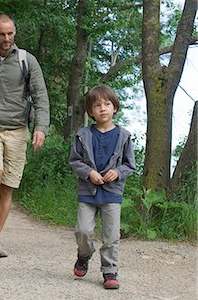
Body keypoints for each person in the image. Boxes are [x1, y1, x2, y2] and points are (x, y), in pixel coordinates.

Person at [0, 13, 50, 260]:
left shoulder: (27, 60)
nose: (6, 38)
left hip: (17, 129)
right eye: (2, 34)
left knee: (7, 187)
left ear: (15, 32)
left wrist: (41, 127)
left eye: (10, 33)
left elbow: (40, 97)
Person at [68, 84, 136, 289]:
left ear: (115, 107)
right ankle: (84, 254)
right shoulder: (83, 134)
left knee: (111, 236)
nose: (103, 108)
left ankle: (110, 270)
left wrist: (118, 173)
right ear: (91, 111)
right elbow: (75, 160)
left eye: (107, 104)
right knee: (82, 231)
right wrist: (89, 173)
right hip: (87, 192)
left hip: (112, 193)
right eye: (97, 105)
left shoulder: (124, 136)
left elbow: (129, 164)